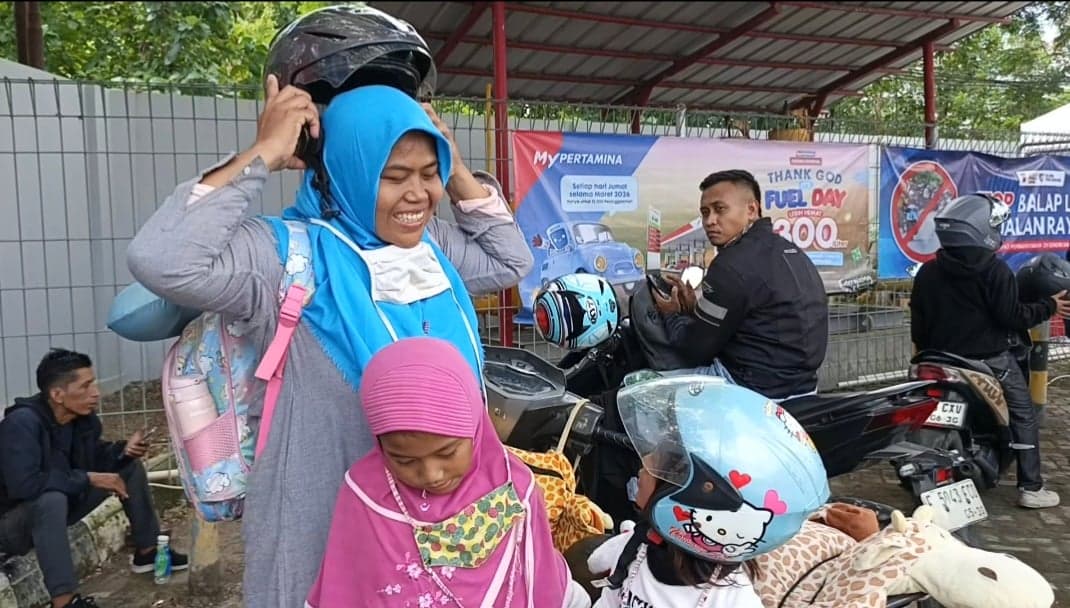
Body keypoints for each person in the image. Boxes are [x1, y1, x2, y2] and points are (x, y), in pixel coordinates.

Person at [128, 89, 529, 608]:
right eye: (393, 176)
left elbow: (509, 261)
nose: (417, 196)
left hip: (432, 535)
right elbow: (162, 259)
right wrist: (265, 153)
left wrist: (451, 167)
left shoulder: (431, 247)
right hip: (320, 534)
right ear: (346, 168)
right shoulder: (285, 256)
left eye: (426, 174)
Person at [306, 337, 589, 607]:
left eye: (447, 453)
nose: (432, 474)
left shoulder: (513, 488)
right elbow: (345, 588)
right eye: (404, 460)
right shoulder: (366, 496)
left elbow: (539, 581)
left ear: (476, 429)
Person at [586, 376, 829, 608]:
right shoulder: (636, 548)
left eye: (662, 466)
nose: (644, 463)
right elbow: (601, 577)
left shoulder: (732, 601)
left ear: (704, 499)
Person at [910, 193, 1070, 509]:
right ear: (982, 228)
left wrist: (925, 353)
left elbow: (918, 324)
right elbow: (1011, 317)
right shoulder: (995, 271)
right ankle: (1031, 487)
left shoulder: (928, 272)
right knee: (1024, 414)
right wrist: (1049, 306)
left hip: (936, 358)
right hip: (988, 360)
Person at [0, 349, 187, 608]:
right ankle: (65, 601)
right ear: (57, 395)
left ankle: (148, 552)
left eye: (94, 383)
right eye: (86, 386)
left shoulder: (81, 419)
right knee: (50, 499)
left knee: (127, 469)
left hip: (58, 508)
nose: (96, 392)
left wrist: (123, 452)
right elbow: (25, 485)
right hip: (11, 525)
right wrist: (88, 479)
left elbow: (95, 459)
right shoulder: (21, 424)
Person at [652, 169, 829, 401]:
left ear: (752, 210)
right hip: (803, 387)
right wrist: (695, 309)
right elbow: (751, 315)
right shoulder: (790, 251)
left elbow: (694, 350)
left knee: (642, 388)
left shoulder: (730, 265)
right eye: (705, 213)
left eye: (720, 209)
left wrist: (672, 315)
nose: (710, 221)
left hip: (751, 390)